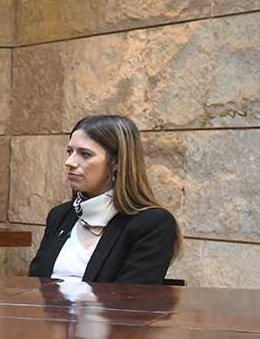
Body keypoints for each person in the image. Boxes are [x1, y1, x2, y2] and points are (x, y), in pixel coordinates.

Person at [28, 115, 179, 284]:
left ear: (116, 161)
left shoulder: (152, 224)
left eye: (85, 154)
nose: (69, 162)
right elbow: (35, 287)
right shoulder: (60, 215)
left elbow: (131, 300)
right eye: (70, 152)